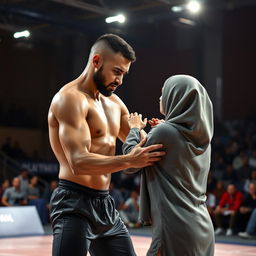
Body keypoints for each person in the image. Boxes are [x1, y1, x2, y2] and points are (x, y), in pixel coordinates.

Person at [48, 33, 165, 256]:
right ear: (96, 61)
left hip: (105, 203)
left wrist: (164, 130)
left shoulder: (115, 104)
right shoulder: (69, 99)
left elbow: (138, 143)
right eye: (117, 71)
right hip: (73, 204)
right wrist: (130, 160)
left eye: (124, 74)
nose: (120, 81)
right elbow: (78, 162)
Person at [123, 75, 215, 256]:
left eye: (163, 93)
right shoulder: (203, 139)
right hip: (202, 227)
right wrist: (160, 130)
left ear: (177, 97)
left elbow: (129, 163)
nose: (160, 98)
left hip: (174, 227)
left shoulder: (164, 132)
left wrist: (134, 128)